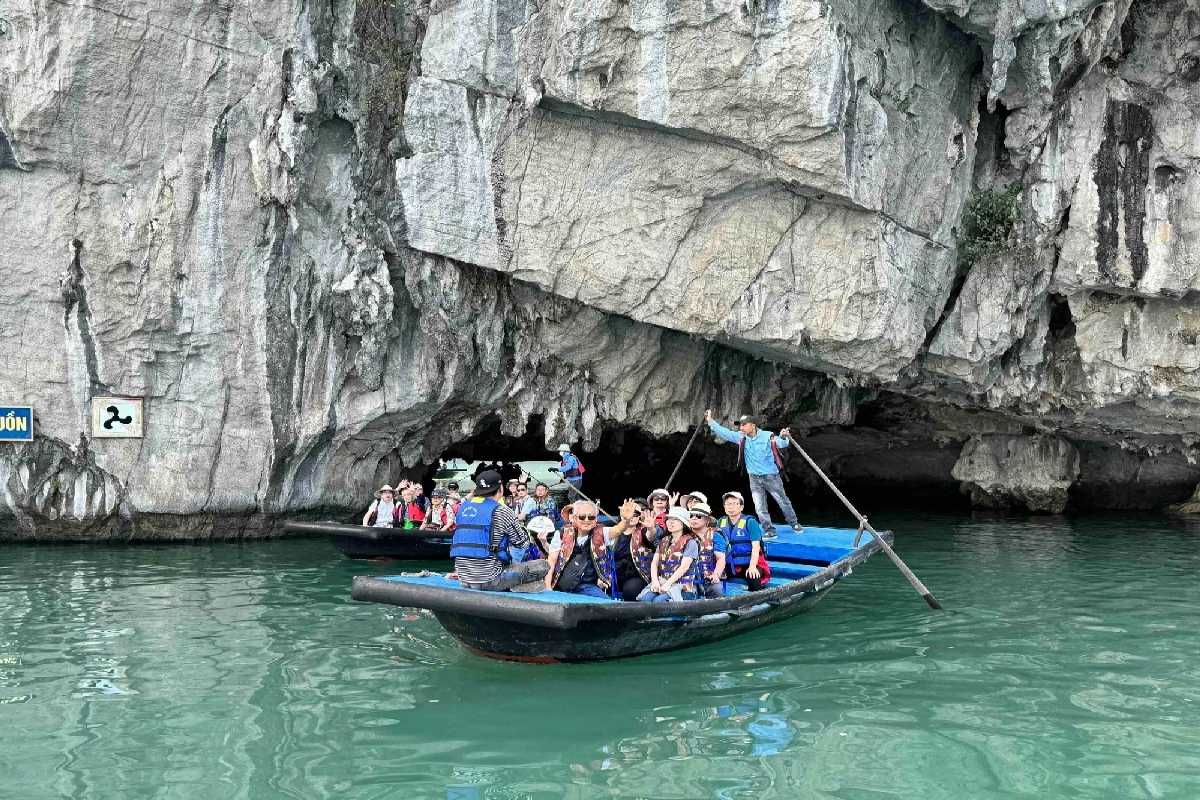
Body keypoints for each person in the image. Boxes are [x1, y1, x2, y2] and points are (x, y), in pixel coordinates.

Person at [705, 409, 799, 537]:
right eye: (740, 425)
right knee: (760, 507)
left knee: (782, 501)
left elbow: (781, 443)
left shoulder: (767, 435)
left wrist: (783, 436)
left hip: (771, 476)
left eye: (744, 425)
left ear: (753, 425)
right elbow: (725, 433)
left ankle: (794, 523)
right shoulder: (741, 437)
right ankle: (769, 530)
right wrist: (710, 421)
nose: (741, 427)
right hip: (754, 478)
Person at [451, 470, 545, 591]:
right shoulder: (502, 511)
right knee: (543, 565)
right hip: (490, 580)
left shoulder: (462, 508)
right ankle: (515, 587)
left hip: (464, 579)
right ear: (500, 489)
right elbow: (522, 543)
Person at [544, 499, 636, 598]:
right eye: (582, 517)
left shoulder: (601, 532)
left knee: (604, 602)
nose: (587, 520)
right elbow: (551, 562)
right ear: (574, 518)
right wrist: (548, 588)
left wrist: (626, 520)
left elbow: (617, 530)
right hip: (561, 584)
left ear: (596, 519)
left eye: (591, 517)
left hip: (587, 586)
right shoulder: (561, 534)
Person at [638, 507, 701, 602]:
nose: (670, 522)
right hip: (662, 581)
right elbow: (654, 563)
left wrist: (668, 584)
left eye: (675, 519)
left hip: (683, 586)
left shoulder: (691, 543)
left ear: (683, 524)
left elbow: (683, 567)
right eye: (669, 519)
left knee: (658, 601)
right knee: (645, 599)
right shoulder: (664, 540)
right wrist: (655, 581)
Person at [717, 491, 771, 591]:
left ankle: (757, 599)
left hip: (750, 562)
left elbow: (756, 547)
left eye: (735, 503)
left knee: (752, 576)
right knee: (713, 576)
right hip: (729, 564)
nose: (731, 507)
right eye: (728, 504)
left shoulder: (750, 522)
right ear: (724, 507)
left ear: (741, 507)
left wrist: (752, 566)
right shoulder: (720, 522)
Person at [611, 498, 659, 601]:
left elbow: (650, 536)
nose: (632, 516)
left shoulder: (643, 531)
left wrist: (651, 528)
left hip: (637, 575)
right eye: (629, 512)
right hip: (614, 573)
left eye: (636, 513)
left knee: (630, 591)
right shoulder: (613, 531)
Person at [689, 502, 727, 598]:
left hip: (709, 576)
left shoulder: (716, 536)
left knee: (716, 590)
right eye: (691, 516)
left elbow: (720, 558)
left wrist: (716, 575)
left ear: (707, 519)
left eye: (698, 516)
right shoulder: (684, 535)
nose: (694, 518)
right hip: (688, 577)